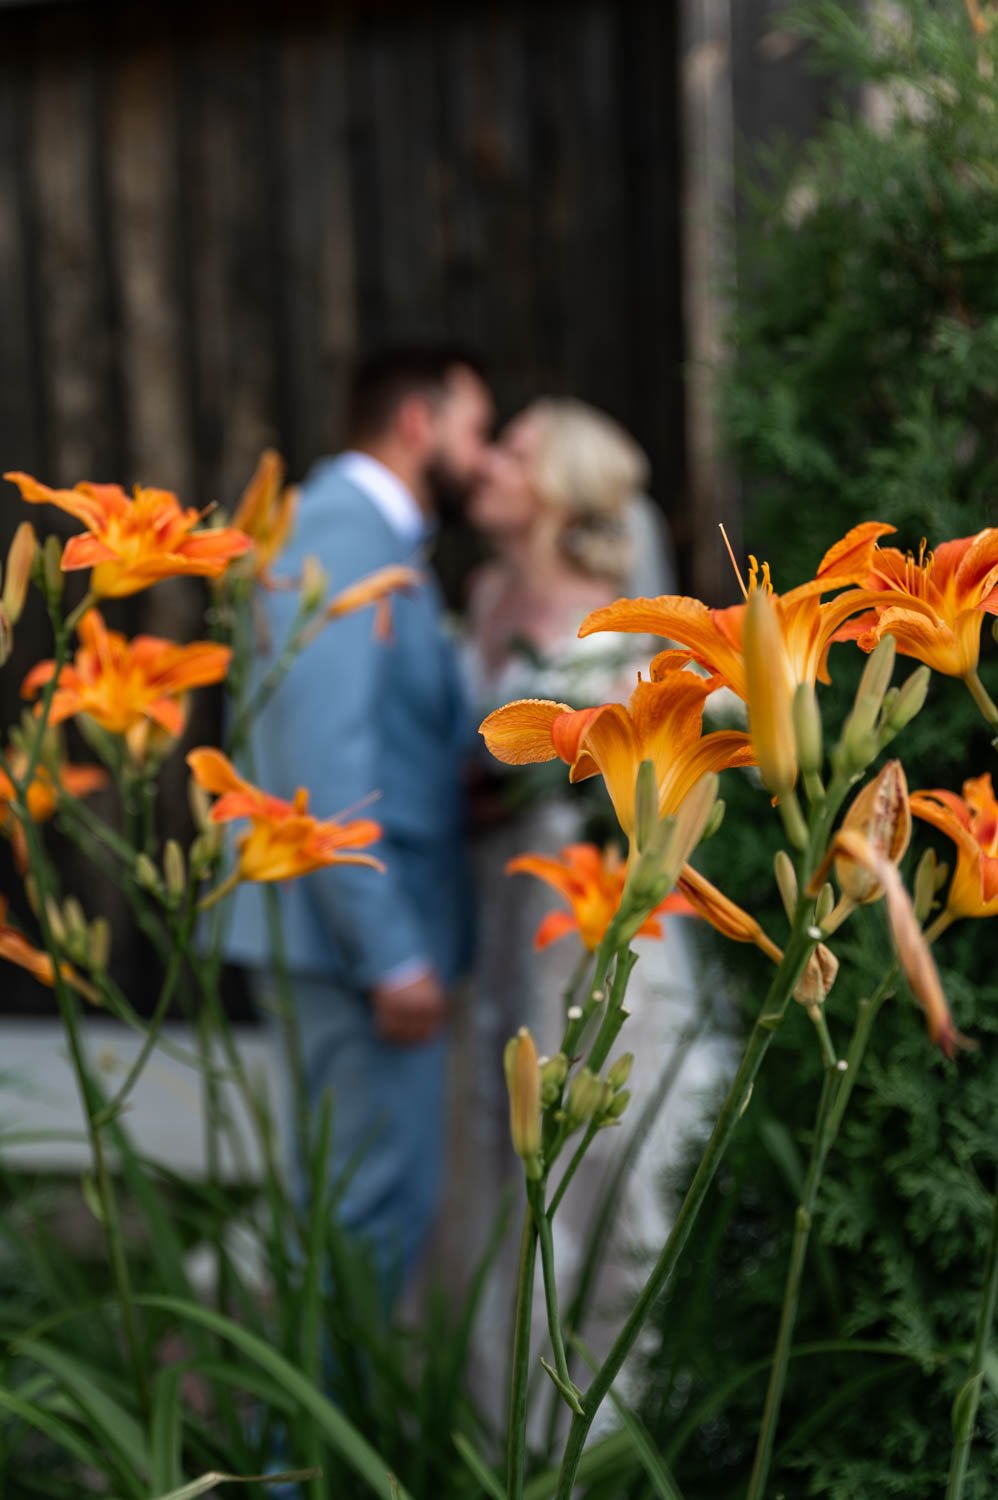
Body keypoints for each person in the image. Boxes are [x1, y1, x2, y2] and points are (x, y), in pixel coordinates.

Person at [451, 397, 729, 1425]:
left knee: (600, 1161)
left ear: (557, 491)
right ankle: (505, 1418)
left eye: (511, 453)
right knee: (508, 1162)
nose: (483, 463)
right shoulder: (483, 596)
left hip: (592, 921)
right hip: (499, 910)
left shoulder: (617, 628)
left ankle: (604, 1424)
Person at [226, 346, 494, 1305]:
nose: (484, 457)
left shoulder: (369, 539)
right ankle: (306, 1459)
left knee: (353, 1212)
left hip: (352, 922)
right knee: (365, 1218)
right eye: (475, 430)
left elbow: (387, 735)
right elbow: (324, 760)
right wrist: (389, 953)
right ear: (418, 424)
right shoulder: (341, 530)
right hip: (351, 937)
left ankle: (307, 1453)